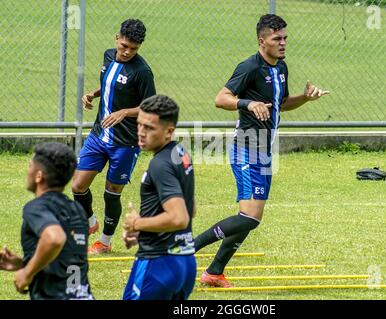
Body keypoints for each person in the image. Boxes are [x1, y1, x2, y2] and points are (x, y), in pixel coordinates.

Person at [194, 14, 330, 287]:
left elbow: (282, 103)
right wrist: (246, 103)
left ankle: (214, 272)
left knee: (250, 218)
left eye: (285, 38)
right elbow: (221, 99)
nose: (283, 43)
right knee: (250, 217)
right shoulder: (249, 67)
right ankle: (186, 247)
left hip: (265, 150)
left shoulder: (281, 68)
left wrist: (305, 98)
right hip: (246, 147)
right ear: (261, 41)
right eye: (276, 39)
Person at [71, 18, 156, 254]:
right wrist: (93, 94)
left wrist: (125, 112)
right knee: (78, 185)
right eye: (124, 46)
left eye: (134, 48)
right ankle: (90, 222)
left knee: (111, 193)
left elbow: (151, 107)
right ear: (117, 39)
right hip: (99, 135)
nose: (127, 51)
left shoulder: (142, 71)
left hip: (125, 143)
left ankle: (105, 242)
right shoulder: (108, 56)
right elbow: (109, 82)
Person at [122, 95, 196, 300]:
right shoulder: (181, 154)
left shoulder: (160, 164)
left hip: (158, 264)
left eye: (149, 128)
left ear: (169, 131)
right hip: (185, 264)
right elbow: (191, 209)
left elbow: (179, 218)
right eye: (139, 125)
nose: (141, 133)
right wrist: (143, 232)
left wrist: (137, 223)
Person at [0, 142, 93, 300]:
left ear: (39, 176)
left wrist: (27, 273)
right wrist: (23, 264)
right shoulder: (77, 210)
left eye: (30, 166)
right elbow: (64, 261)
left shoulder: (36, 207)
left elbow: (54, 239)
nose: (27, 171)